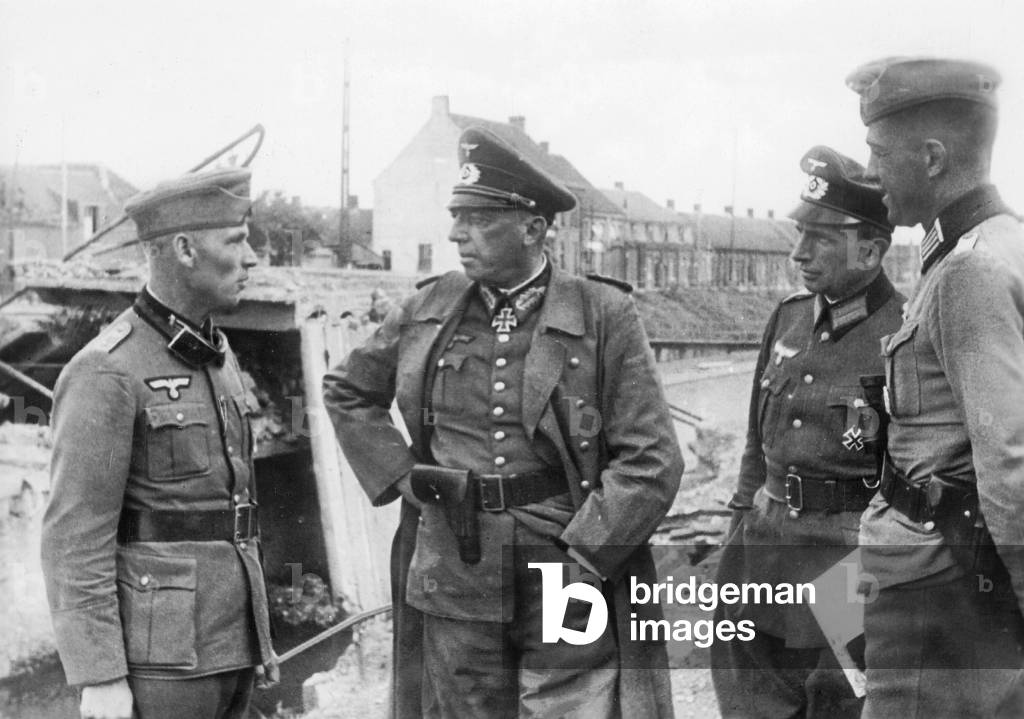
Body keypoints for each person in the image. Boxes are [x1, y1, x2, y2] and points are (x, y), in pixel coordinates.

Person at [323, 126, 683, 718]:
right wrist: (404, 476)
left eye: (479, 218)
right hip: (453, 567)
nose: (456, 232)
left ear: (533, 229)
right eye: (456, 215)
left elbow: (652, 459)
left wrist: (589, 556)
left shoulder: (603, 314)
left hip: (567, 562)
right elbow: (347, 390)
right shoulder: (427, 306)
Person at [41, 168, 276, 719]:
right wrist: (100, 677)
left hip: (229, 644)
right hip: (161, 661)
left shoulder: (217, 355)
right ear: (185, 249)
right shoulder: (108, 369)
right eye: (237, 241)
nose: (253, 259)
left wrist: (258, 637)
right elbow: (74, 536)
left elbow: (232, 508)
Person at [846, 56, 1024, 718]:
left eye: (876, 151)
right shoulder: (998, 244)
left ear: (930, 157)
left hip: (935, 592)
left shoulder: (967, 273)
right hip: (948, 577)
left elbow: (1008, 463)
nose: (869, 173)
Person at [711, 146, 903, 718]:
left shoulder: (905, 335)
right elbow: (755, 443)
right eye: (800, 233)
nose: (799, 252)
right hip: (762, 556)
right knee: (751, 704)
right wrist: (735, 540)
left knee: (837, 707)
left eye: (820, 237)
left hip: (849, 568)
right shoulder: (787, 318)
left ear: (870, 249)